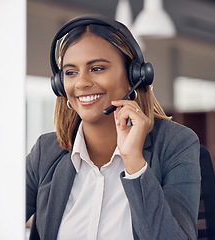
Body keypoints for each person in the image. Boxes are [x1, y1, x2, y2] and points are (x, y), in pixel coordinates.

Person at [26, 15, 201, 240]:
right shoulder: (45, 152)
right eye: (70, 72)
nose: (81, 83)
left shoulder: (176, 143)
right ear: (60, 84)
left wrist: (134, 164)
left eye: (97, 68)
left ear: (134, 76)